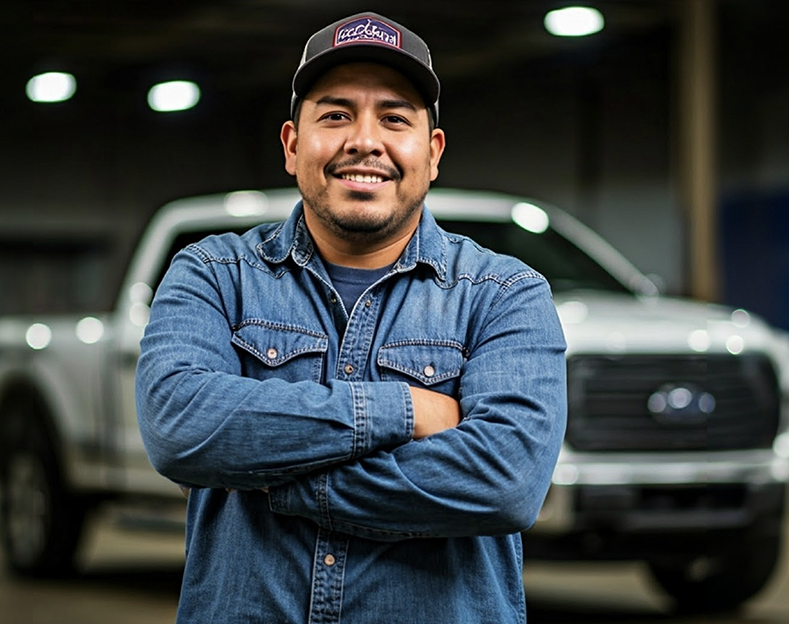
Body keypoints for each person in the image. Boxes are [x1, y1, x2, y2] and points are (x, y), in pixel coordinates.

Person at [136, 11, 567, 624]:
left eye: (395, 118)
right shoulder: (213, 274)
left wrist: (278, 482)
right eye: (335, 115)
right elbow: (180, 425)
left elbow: (505, 481)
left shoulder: (505, 294)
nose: (365, 140)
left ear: (433, 152)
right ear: (291, 145)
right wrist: (407, 411)